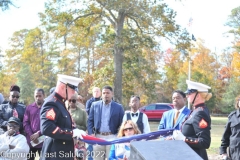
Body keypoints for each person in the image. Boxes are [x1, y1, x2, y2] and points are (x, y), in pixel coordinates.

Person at [40, 74, 86, 160]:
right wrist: (71, 133)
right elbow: (47, 128)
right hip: (54, 153)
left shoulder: (60, 103)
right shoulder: (52, 103)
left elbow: (62, 123)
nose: (74, 93)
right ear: (62, 87)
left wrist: (75, 130)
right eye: (72, 89)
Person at [173, 80, 211, 160]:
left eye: (189, 93)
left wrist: (183, 139)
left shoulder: (199, 113)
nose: (187, 96)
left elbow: (204, 142)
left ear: (197, 96)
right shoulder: (196, 110)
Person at [87, 85, 124, 160]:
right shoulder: (95, 105)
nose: (106, 95)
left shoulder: (118, 107)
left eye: (108, 93)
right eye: (104, 93)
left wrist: (118, 136)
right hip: (98, 137)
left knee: (111, 158)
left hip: (112, 137)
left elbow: (122, 123)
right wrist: (91, 133)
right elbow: (90, 120)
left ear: (112, 94)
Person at [23, 88, 45, 160]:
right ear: (34, 96)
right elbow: (25, 122)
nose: (38, 98)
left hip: (43, 141)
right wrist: (31, 135)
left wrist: (38, 134)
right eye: (36, 96)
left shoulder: (47, 108)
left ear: (44, 96)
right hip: (31, 141)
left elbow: (49, 124)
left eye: (40, 96)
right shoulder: (29, 108)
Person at [219, 95, 240, 160]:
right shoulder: (232, 116)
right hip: (235, 153)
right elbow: (226, 135)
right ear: (238, 102)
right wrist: (223, 151)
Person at [85, 87, 101, 160]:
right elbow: (88, 113)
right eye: (94, 91)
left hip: (100, 128)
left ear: (100, 93)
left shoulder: (102, 101)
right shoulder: (89, 102)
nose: (96, 93)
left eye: (97, 91)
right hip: (92, 126)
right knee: (90, 147)